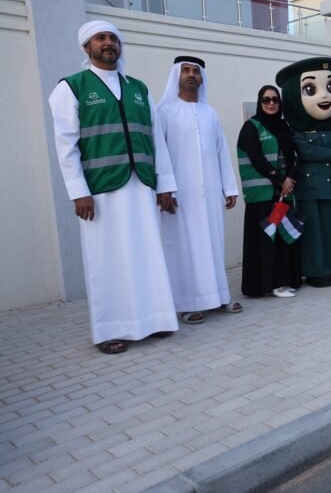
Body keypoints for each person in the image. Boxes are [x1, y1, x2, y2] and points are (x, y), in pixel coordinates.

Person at [48, 20, 179, 354]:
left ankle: (157, 320)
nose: (108, 43)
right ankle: (110, 330)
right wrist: (79, 192)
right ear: (86, 47)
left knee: (147, 253)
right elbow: (66, 146)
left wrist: (165, 184)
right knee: (107, 259)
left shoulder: (139, 88)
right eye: (100, 38)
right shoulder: (71, 88)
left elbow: (157, 141)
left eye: (112, 38)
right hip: (100, 190)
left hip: (142, 184)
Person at [157, 56, 240, 324]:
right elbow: (159, 154)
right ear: (177, 75)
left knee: (213, 244)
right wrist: (165, 189)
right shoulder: (164, 112)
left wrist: (229, 187)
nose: (191, 75)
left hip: (210, 192)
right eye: (186, 70)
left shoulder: (209, 113)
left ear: (202, 77)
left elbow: (221, 151)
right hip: (179, 195)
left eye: (196, 71)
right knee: (184, 247)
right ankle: (187, 304)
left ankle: (219, 296)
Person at [277, 57, 331, 288]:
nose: (325, 96)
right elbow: (305, 151)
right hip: (310, 185)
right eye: (310, 90)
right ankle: (316, 270)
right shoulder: (296, 129)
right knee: (314, 232)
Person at [237, 85, 303, 297]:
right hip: (262, 195)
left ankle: (285, 280)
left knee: (284, 239)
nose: (271, 103)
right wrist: (281, 180)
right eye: (266, 100)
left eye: (275, 99)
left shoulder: (284, 126)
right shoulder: (251, 127)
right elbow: (257, 159)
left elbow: (294, 156)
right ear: (260, 102)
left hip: (283, 192)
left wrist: (290, 179)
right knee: (266, 241)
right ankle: (271, 285)